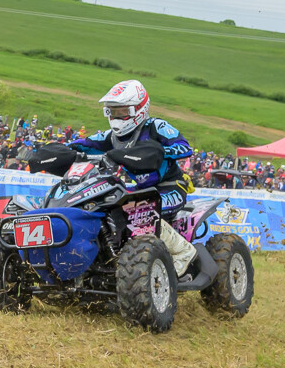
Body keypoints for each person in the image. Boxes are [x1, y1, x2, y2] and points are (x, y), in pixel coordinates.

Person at [65, 79, 195, 248]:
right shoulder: (111, 136)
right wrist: (62, 150)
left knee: (144, 213)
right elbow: (84, 144)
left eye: (122, 111)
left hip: (171, 186)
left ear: (139, 108)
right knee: (106, 207)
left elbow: (185, 148)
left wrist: (159, 152)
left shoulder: (156, 126)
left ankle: (182, 253)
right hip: (141, 191)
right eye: (112, 111)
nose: (117, 116)